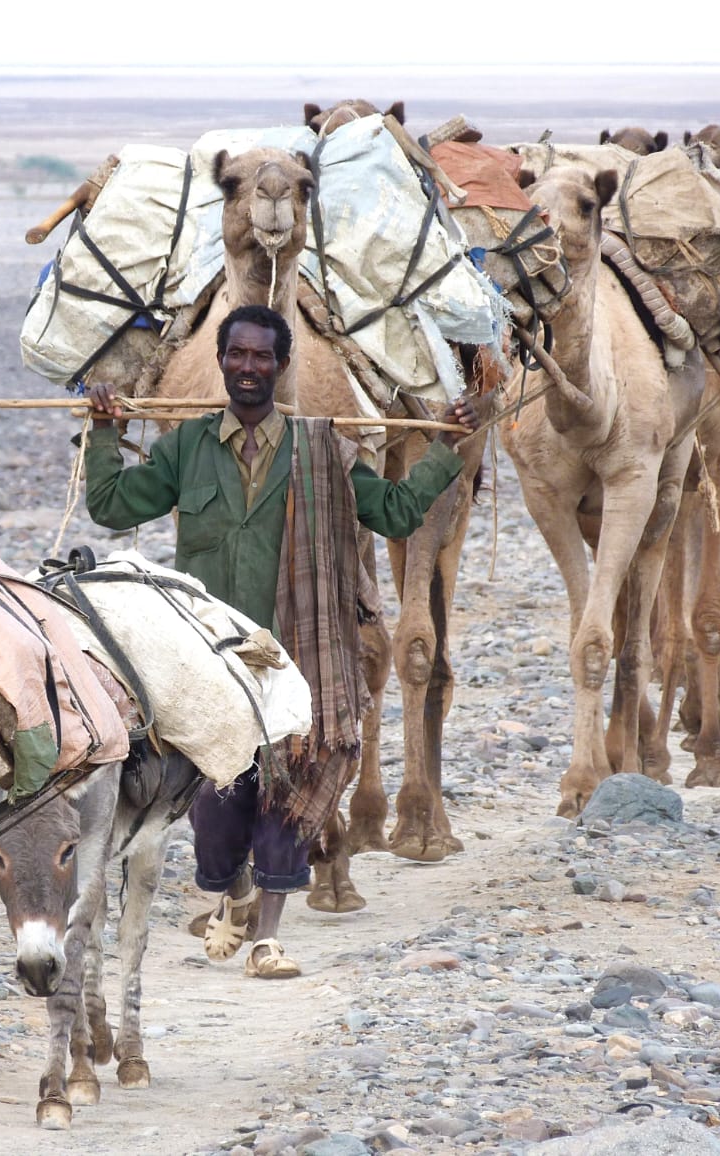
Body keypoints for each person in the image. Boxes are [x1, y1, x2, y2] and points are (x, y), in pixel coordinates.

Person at [81, 304, 479, 979]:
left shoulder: (320, 448)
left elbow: (395, 511)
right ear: (222, 361)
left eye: (262, 357)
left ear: (280, 365)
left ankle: (267, 936)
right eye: (237, 355)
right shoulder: (187, 447)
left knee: (286, 789)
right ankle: (229, 892)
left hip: (292, 652)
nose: (248, 368)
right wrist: (103, 436)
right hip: (210, 654)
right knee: (215, 799)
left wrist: (446, 450)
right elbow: (113, 506)